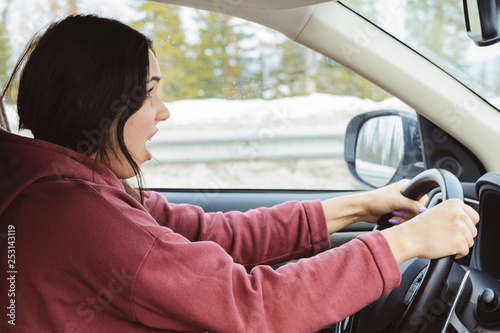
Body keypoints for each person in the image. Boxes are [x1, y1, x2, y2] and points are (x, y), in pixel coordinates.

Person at [0, 14, 478, 333]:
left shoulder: (73, 188)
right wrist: (405, 243)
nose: (163, 112)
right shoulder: (77, 215)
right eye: (149, 93)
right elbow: (254, 306)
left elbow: (211, 233)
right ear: (100, 104)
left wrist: (360, 205)